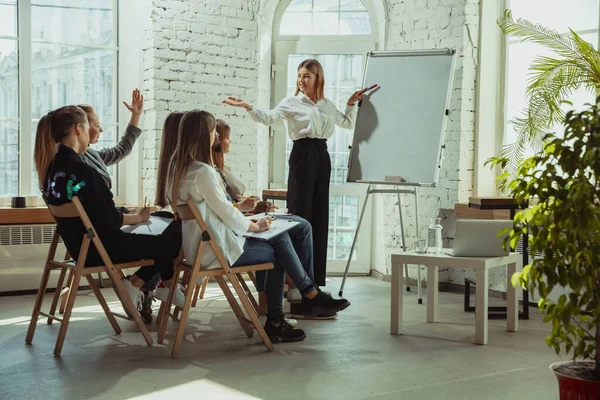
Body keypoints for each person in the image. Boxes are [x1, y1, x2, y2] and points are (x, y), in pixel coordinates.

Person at [167, 109, 350, 342]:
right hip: (215, 250)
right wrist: (255, 227)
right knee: (276, 250)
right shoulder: (203, 172)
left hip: (198, 248)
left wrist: (255, 224)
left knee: (278, 236)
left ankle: (304, 296)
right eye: (213, 131)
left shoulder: (180, 168)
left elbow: (218, 210)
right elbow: (226, 212)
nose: (215, 136)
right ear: (203, 134)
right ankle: (288, 310)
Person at [223, 59, 367, 287]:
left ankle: (314, 280)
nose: (301, 80)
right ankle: (295, 281)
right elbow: (269, 117)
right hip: (302, 154)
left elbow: (347, 123)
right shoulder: (291, 102)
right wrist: (248, 107)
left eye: (307, 76)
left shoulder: (326, 104)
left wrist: (350, 104)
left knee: (319, 216)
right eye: (299, 75)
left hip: (322, 155)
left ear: (317, 78)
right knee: (300, 214)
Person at [34, 105, 185, 322]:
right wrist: (138, 218)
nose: (94, 131)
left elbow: (95, 213)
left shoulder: (51, 170)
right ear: (78, 129)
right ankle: (153, 285)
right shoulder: (85, 172)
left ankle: (154, 286)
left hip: (80, 249)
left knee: (166, 234)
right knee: (177, 235)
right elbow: (110, 223)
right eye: (89, 126)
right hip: (103, 249)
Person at [212, 119, 336, 320]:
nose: (229, 142)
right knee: (278, 240)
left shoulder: (217, 169)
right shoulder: (208, 172)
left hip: (237, 225)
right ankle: (297, 299)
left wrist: (253, 207)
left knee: (302, 225)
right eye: (226, 138)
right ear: (215, 140)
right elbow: (226, 205)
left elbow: (234, 196)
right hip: (231, 235)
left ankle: (303, 291)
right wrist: (250, 216)